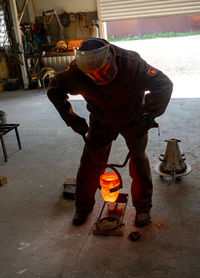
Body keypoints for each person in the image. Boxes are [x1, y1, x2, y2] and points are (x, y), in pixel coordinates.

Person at [47, 38, 173, 227]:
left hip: (133, 118)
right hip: (101, 119)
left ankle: (143, 207)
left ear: (111, 58)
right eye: (93, 77)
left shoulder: (132, 64)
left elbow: (164, 84)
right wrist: (71, 118)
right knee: (90, 162)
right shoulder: (76, 72)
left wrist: (148, 114)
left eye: (103, 74)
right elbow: (54, 88)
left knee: (138, 160)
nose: (99, 79)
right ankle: (83, 206)